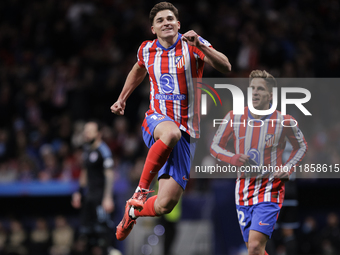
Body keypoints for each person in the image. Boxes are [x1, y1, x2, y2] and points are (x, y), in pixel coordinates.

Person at [110, 1, 231, 241]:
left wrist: (203, 48)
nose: (166, 23)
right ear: (152, 29)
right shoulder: (146, 49)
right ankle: (141, 192)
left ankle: (132, 211)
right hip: (157, 120)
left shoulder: (193, 44)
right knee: (170, 133)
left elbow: (226, 66)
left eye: (169, 19)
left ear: (178, 24)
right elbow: (138, 69)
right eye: (160, 20)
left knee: (166, 205)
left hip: (188, 131)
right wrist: (122, 98)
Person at [210, 70, 308, 255]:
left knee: (255, 246)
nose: (254, 92)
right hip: (243, 191)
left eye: (260, 89)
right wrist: (232, 158)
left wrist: (288, 167)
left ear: (270, 95)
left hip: (270, 189)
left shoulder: (284, 121)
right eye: (252, 88)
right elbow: (215, 146)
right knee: (254, 249)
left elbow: (301, 146)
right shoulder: (234, 117)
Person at [71, 120, 115, 255]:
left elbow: (109, 175)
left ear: (98, 134)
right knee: (86, 234)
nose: (86, 134)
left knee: (103, 235)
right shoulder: (86, 150)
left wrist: (108, 197)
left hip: (100, 198)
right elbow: (84, 173)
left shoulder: (104, 151)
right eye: (85, 131)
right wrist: (79, 192)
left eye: (89, 131)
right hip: (89, 197)